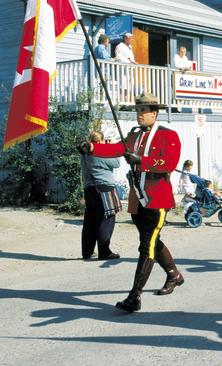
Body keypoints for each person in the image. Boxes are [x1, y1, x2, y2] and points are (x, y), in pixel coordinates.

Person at [78, 93, 183, 313]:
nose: (139, 115)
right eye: (137, 111)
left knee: (146, 245)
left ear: (154, 113)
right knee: (152, 240)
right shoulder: (134, 135)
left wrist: (141, 161)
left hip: (157, 197)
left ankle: (134, 296)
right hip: (138, 197)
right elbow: (116, 149)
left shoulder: (168, 136)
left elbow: (169, 164)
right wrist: (92, 148)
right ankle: (174, 274)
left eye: (143, 111)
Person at [79, 131, 121, 260]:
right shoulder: (100, 151)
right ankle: (104, 251)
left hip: (89, 188)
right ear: (101, 140)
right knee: (107, 218)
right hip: (104, 187)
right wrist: (111, 146)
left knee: (90, 220)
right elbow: (116, 163)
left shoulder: (84, 151)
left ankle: (87, 252)